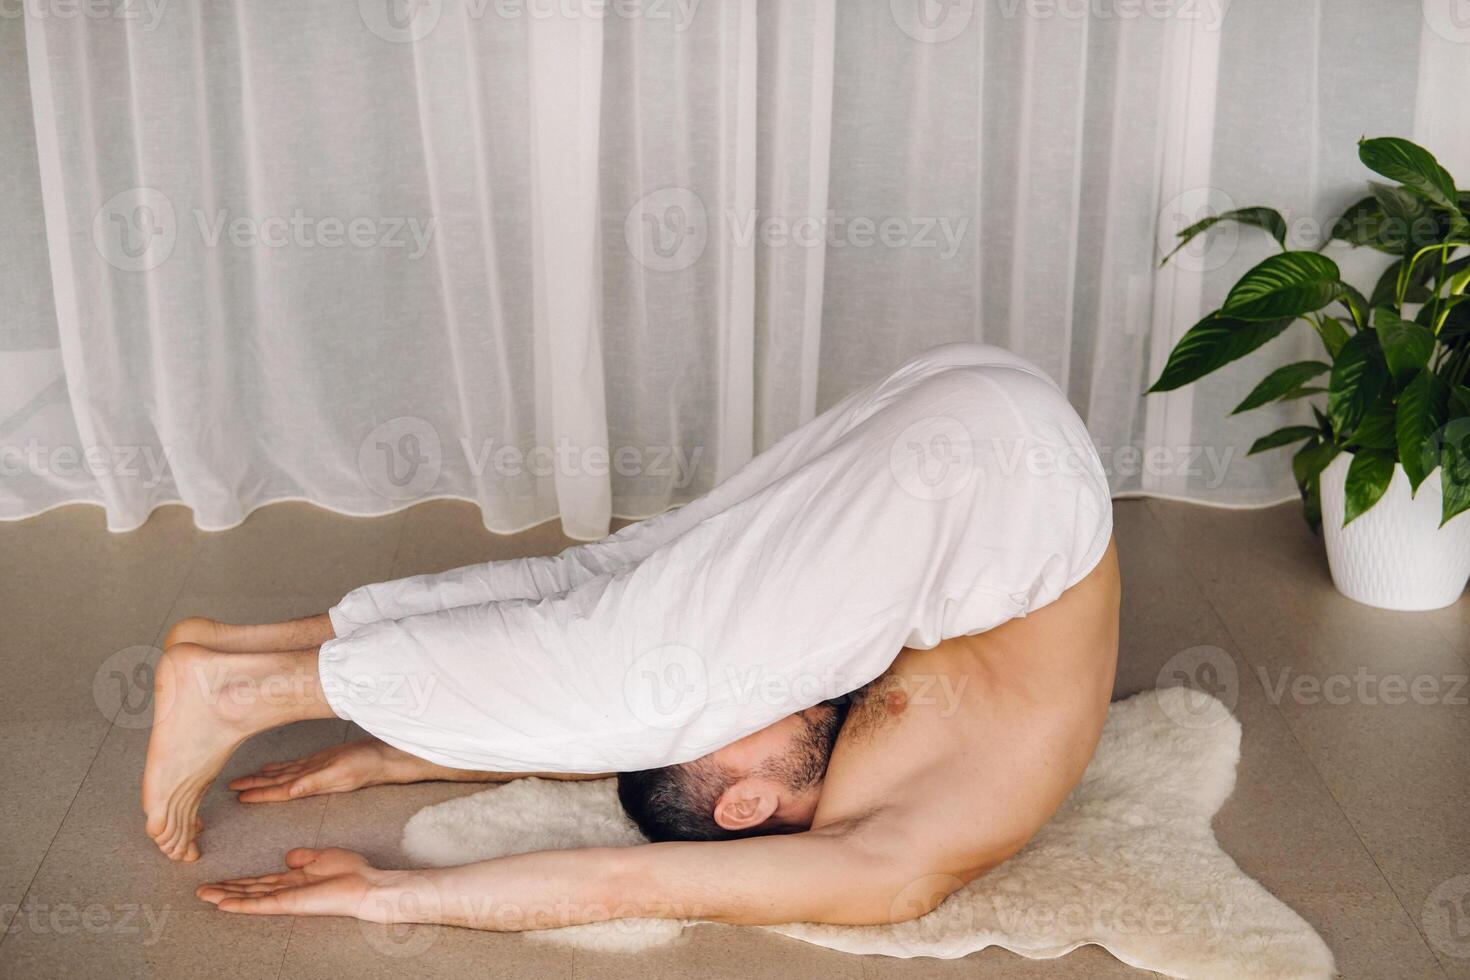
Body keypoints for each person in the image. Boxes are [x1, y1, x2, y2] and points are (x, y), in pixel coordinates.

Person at [143, 343, 1120, 930]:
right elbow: (628, 821)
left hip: (986, 428)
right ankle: (242, 685)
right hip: (1016, 488)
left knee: (609, 592)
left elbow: (626, 854)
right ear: (747, 804)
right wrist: (395, 861)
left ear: (740, 804)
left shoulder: (848, 823)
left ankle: (243, 659)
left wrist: (390, 807)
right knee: (639, 667)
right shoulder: (882, 825)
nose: (752, 696)